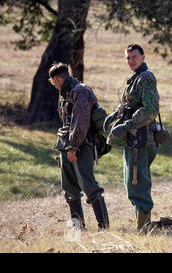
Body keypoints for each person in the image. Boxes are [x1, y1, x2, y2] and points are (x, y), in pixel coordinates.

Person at [104, 44, 159, 233]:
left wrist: (127, 125)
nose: (131, 61)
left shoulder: (146, 77)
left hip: (142, 139)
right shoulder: (135, 78)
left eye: (134, 57)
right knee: (131, 182)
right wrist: (113, 116)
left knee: (137, 182)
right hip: (133, 139)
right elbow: (130, 104)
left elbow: (151, 110)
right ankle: (143, 225)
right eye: (128, 58)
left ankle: (144, 229)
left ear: (143, 57)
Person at [49, 63, 109, 230]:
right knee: (69, 188)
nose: (53, 84)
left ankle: (104, 227)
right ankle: (78, 226)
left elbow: (81, 121)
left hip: (81, 144)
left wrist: (74, 146)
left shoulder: (80, 91)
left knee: (88, 185)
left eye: (52, 81)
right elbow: (67, 122)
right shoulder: (65, 93)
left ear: (56, 79)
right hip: (65, 144)